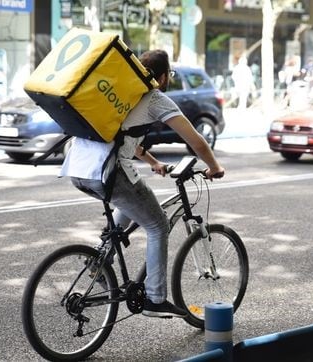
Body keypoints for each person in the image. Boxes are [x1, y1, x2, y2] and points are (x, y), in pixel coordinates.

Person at [59, 49, 225, 318]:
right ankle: (155, 298)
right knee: (158, 224)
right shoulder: (154, 98)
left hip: (78, 167)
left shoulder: (120, 91)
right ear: (161, 76)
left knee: (130, 202)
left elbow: (126, 135)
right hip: (108, 172)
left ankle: (99, 264)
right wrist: (214, 167)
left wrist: (153, 162)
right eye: (168, 74)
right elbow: (195, 139)